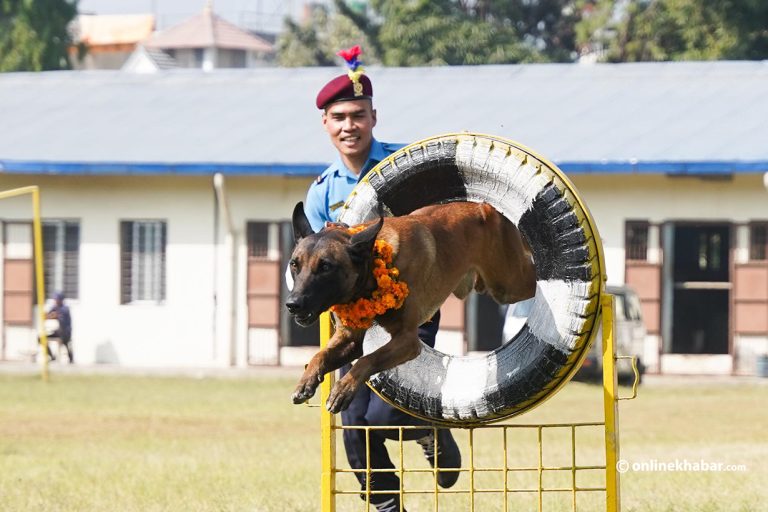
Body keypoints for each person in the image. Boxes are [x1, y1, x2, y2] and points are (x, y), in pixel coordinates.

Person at [303, 46, 461, 512]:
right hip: (354, 317)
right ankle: (386, 506)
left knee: (385, 412)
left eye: (357, 115)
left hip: (413, 303)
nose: (348, 125)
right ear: (326, 125)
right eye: (338, 117)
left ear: (374, 117)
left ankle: (427, 428)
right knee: (351, 416)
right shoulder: (321, 193)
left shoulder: (406, 168)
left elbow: (445, 222)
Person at [40, 291, 73, 363]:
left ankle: (71, 359)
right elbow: (47, 315)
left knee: (65, 343)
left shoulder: (65, 308)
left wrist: (51, 315)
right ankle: (51, 356)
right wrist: (46, 315)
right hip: (58, 331)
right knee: (40, 338)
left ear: (61, 300)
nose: (55, 301)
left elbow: (56, 315)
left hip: (65, 333)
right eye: (55, 299)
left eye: (57, 299)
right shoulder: (54, 307)